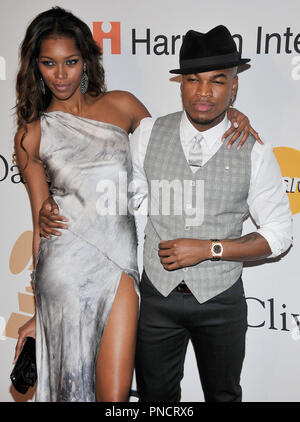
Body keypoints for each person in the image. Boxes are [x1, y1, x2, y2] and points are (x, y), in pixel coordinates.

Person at [24, 10, 263, 402]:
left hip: (118, 264)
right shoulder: (31, 133)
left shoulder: (123, 106)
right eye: (49, 63)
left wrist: (227, 116)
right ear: (37, 67)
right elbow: (39, 227)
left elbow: (177, 140)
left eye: (70, 62)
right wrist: (38, 312)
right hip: (62, 267)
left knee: (116, 396)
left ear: (85, 61)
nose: (61, 74)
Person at [130, 26, 293, 402]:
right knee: (155, 399)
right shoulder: (147, 134)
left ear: (234, 87)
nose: (204, 92)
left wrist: (209, 249)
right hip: (157, 296)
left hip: (221, 299)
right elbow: (125, 197)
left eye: (218, 81)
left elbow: (279, 234)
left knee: (224, 396)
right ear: (181, 83)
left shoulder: (254, 151)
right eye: (194, 80)